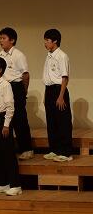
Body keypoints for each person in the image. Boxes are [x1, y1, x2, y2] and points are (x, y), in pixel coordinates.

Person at [0, 57, 22, 196]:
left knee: (8, 153)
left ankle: (15, 185)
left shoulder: (5, 85)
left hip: (3, 120)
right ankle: (1, 183)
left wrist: (6, 125)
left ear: (0, 70)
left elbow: (10, 107)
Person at [0, 27, 33, 160]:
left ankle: (27, 149)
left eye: (4, 38)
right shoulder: (0, 55)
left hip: (16, 87)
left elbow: (25, 75)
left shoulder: (18, 55)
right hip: (4, 88)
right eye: (0, 38)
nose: (1, 41)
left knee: (20, 119)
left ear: (12, 40)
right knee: (6, 119)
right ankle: (8, 149)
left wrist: (23, 91)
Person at [42, 29, 73, 162]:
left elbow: (64, 77)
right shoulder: (48, 56)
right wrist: (45, 96)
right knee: (51, 122)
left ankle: (66, 152)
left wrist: (61, 96)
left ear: (55, 41)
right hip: (49, 90)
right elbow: (48, 78)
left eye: (47, 40)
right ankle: (54, 149)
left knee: (62, 122)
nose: (45, 43)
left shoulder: (62, 56)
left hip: (59, 90)